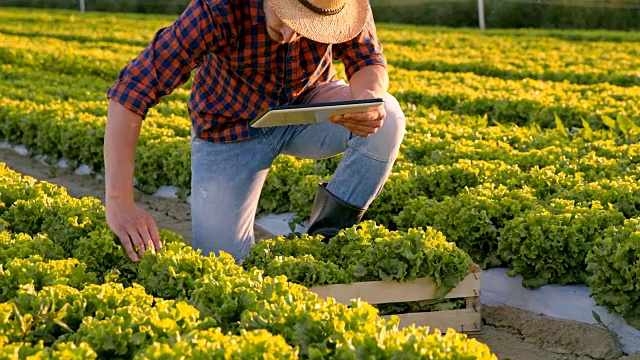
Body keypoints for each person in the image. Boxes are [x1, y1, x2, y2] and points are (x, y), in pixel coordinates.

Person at [104, 0, 406, 263]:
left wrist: (367, 101)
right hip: (229, 130)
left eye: (308, 28)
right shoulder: (217, 10)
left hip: (306, 109)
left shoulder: (341, 4)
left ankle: (327, 237)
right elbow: (133, 90)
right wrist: (120, 201)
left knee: (388, 114)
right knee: (221, 265)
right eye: (287, 19)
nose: (291, 35)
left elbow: (367, 59)